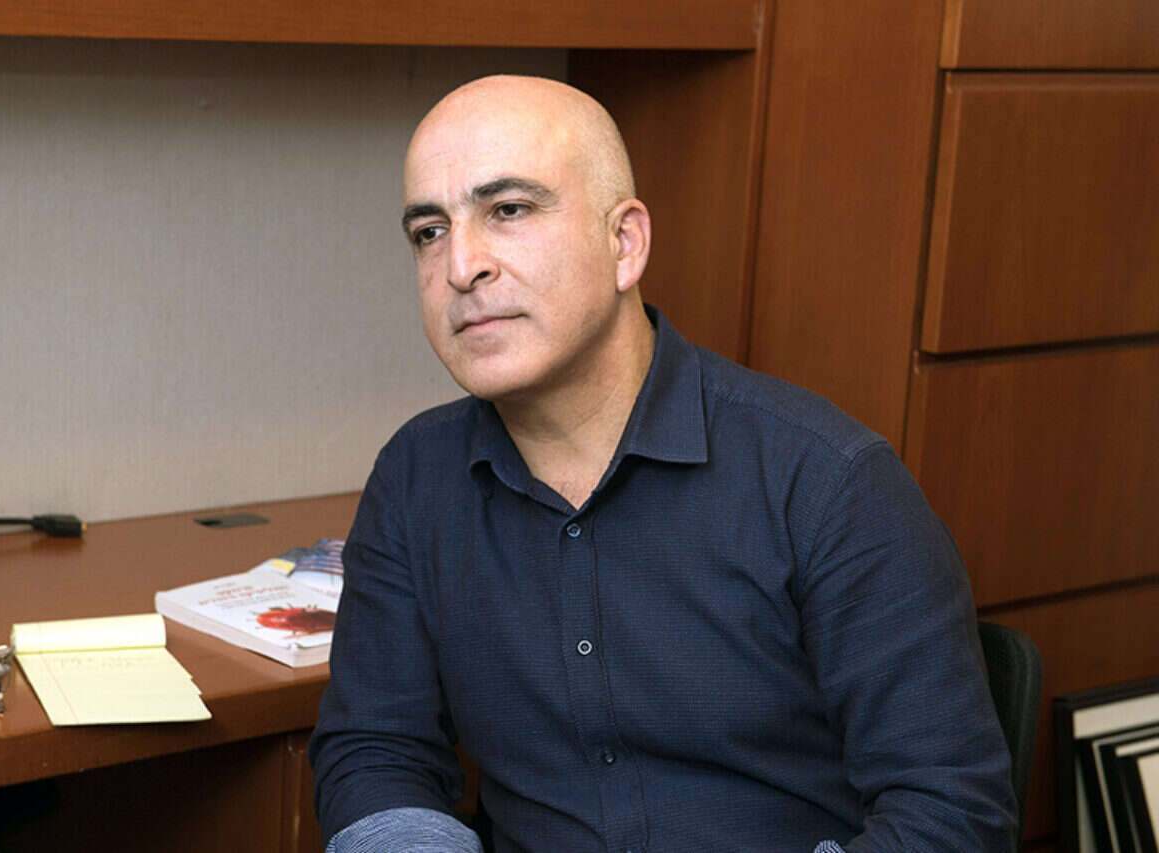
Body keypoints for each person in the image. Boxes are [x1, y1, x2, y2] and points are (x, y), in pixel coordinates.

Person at [309, 74, 1016, 852]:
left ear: (625, 243)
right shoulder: (414, 477)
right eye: (429, 231)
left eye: (508, 210)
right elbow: (377, 750)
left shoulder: (831, 481)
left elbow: (950, 811)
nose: (460, 265)